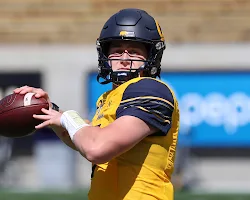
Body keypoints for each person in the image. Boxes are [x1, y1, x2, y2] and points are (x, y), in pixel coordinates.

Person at [14, 8, 179, 200]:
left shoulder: (150, 89)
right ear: (105, 56)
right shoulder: (110, 97)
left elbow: (97, 148)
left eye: (134, 52)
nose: (124, 59)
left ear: (152, 56)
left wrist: (66, 117)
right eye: (117, 52)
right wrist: (50, 111)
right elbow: (86, 137)